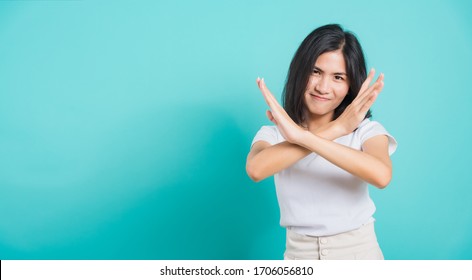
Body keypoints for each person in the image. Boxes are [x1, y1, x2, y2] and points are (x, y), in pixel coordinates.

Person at [246, 24, 397, 260]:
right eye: (315, 71)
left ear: (350, 86)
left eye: (338, 77)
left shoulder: (366, 131)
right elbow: (256, 169)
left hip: (359, 256)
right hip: (299, 258)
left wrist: (303, 137)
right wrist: (335, 129)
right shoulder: (274, 134)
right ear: (300, 71)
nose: (323, 87)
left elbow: (381, 176)